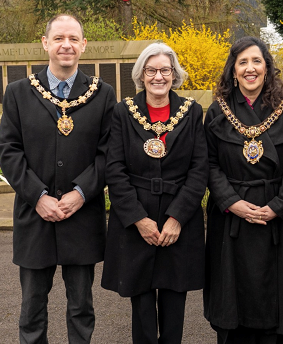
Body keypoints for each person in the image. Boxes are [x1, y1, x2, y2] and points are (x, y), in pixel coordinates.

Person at [0, 14, 115, 344]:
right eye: (59, 38)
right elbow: (8, 149)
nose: (67, 45)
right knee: (32, 308)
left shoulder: (102, 94)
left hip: (82, 216)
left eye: (74, 39)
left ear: (83, 45)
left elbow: (108, 154)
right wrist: (37, 195)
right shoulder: (19, 92)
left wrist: (81, 192)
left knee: (81, 308)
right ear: (45, 43)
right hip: (35, 218)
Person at [204, 36, 283, 344]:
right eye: (243, 62)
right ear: (233, 69)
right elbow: (209, 165)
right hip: (231, 221)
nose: (250, 69)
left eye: (256, 61)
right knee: (233, 307)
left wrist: (279, 205)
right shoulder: (216, 112)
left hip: (279, 216)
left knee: (278, 305)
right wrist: (231, 202)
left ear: (267, 67)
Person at [100, 43, 208, 344]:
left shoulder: (191, 112)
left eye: (165, 70)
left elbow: (199, 170)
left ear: (174, 75)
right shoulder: (123, 112)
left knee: (175, 301)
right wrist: (138, 219)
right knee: (142, 302)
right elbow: (115, 170)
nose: (158, 76)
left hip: (179, 219)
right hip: (138, 218)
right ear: (141, 75)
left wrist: (177, 219)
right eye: (151, 70)